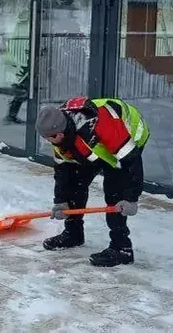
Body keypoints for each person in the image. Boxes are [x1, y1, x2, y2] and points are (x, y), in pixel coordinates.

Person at [34, 97, 148, 267]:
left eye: (48, 138)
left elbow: (132, 162)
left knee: (114, 191)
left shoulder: (103, 124)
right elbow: (63, 172)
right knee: (75, 184)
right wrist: (61, 201)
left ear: (59, 134)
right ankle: (74, 234)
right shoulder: (60, 131)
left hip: (127, 140)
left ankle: (122, 248)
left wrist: (131, 197)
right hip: (93, 145)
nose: (46, 142)